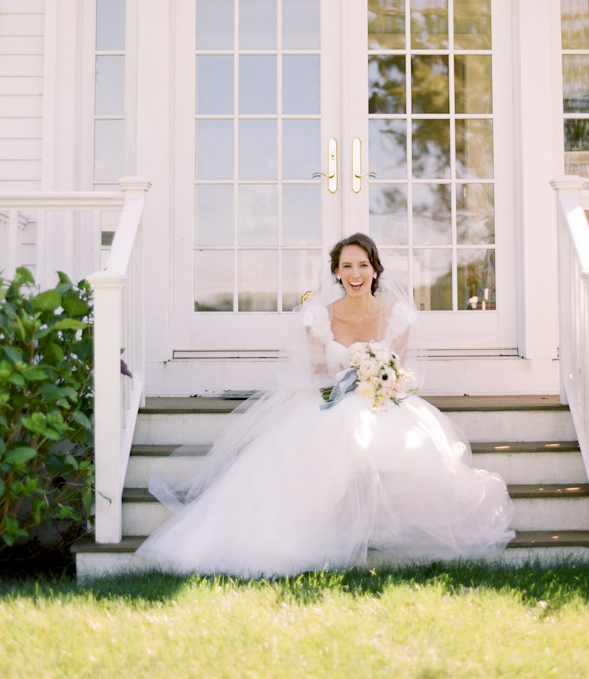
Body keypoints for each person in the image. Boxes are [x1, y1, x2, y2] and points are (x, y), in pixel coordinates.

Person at [137, 233, 515, 577]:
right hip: (332, 402)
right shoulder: (319, 316)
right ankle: (327, 525)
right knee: (340, 430)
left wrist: (374, 380)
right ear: (336, 272)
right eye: (346, 266)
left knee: (384, 435)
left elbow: (396, 375)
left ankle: (380, 522)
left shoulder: (397, 316)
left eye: (363, 265)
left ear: (375, 270)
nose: (355, 274)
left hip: (381, 402)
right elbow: (316, 376)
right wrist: (347, 384)